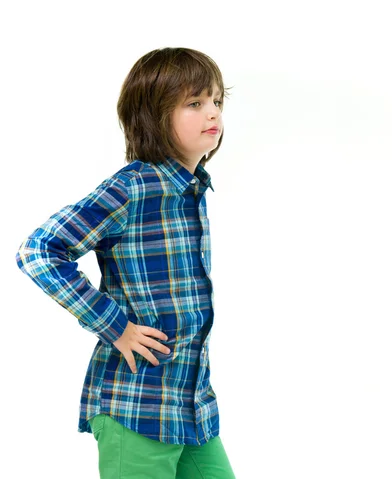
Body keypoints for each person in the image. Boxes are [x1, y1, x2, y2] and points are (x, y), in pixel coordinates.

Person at [15, 47, 236, 478]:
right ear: (154, 116)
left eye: (216, 101)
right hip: (136, 405)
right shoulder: (133, 188)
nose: (212, 112)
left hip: (190, 408)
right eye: (194, 103)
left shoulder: (190, 191)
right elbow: (39, 250)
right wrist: (116, 326)